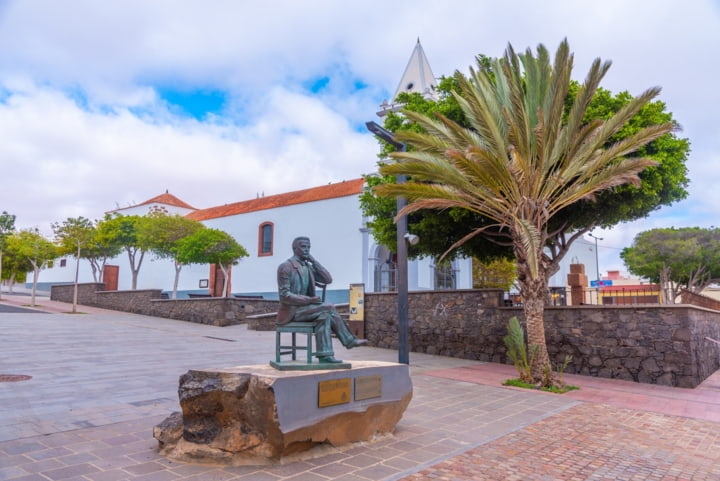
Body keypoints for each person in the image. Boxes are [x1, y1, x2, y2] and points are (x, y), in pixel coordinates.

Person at [277, 236, 367, 363]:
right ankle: (349, 340)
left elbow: (327, 279)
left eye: (308, 247)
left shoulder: (308, 267)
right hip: (291, 312)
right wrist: (309, 300)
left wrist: (314, 261)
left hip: (306, 310)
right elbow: (284, 295)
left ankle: (325, 356)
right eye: (303, 246)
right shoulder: (285, 267)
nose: (306, 249)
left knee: (324, 316)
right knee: (329, 307)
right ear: (294, 248)